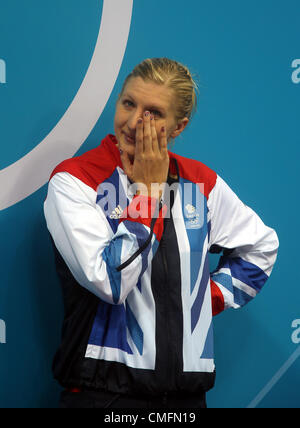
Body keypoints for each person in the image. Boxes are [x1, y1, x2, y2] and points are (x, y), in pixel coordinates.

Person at [44, 57, 279, 409]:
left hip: (186, 401)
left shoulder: (200, 183)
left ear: (178, 126)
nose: (135, 121)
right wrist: (148, 194)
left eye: (153, 112)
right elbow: (110, 282)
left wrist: (201, 300)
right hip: (102, 396)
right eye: (128, 103)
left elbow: (261, 248)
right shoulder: (76, 180)